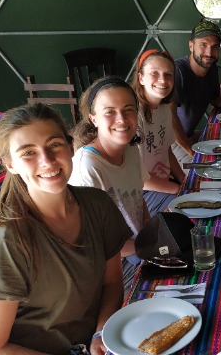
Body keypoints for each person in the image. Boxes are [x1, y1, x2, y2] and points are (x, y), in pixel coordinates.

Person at [0, 103, 131, 354]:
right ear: (9, 164)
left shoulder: (98, 205)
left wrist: (101, 332)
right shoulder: (9, 240)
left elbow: (111, 283)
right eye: (28, 153)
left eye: (54, 144)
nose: (47, 160)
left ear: (70, 147)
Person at [69, 76, 150, 290]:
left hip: (137, 248)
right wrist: (144, 249)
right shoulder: (87, 166)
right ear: (93, 119)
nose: (121, 120)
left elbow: (139, 198)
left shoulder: (131, 149)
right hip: (109, 266)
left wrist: (152, 234)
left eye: (128, 109)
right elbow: (94, 243)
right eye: (109, 112)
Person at [171, 20, 221, 167]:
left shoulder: (211, 67)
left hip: (190, 135)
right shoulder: (179, 72)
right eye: (203, 45)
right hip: (173, 143)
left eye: (214, 47)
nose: (209, 52)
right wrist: (190, 151)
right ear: (191, 45)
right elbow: (169, 118)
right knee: (208, 171)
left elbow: (214, 97)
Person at [132, 49, 185, 215]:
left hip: (164, 182)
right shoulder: (134, 115)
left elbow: (166, 150)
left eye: (168, 74)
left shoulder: (163, 110)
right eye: (154, 73)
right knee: (190, 211)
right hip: (141, 193)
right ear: (141, 78)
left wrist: (185, 181)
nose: (162, 80)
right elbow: (137, 177)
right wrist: (178, 189)